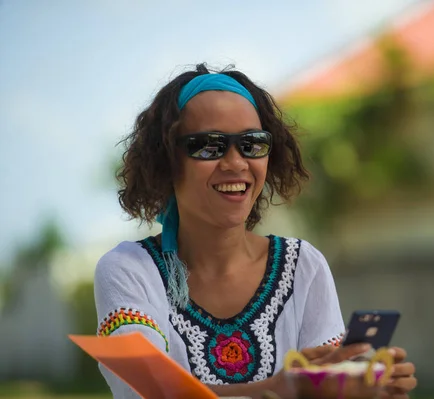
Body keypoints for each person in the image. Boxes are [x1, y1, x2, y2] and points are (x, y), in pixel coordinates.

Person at [94, 63, 417, 398]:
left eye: (252, 144)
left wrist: (362, 389)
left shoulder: (303, 266)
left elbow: (323, 387)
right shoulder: (129, 271)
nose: (236, 163)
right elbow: (145, 391)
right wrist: (280, 390)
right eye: (208, 145)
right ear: (166, 161)